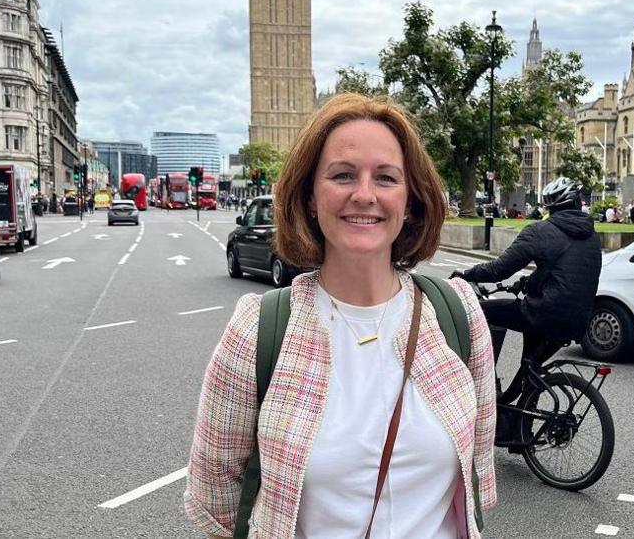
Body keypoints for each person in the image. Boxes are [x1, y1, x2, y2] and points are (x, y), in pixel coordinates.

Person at [184, 93, 497, 539]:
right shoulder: (258, 331)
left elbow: (477, 475)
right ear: (311, 196)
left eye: (386, 178)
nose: (364, 194)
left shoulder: (458, 315)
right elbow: (216, 502)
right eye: (343, 175)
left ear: (410, 201)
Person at [452, 177, 602, 367]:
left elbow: (499, 270)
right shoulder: (592, 236)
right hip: (579, 320)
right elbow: (559, 273)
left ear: (550, 208)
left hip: (545, 314)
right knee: (530, 369)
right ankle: (529, 388)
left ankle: (488, 377)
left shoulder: (540, 231)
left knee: (482, 311)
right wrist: (525, 283)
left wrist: (467, 274)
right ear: (576, 203)